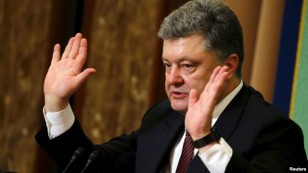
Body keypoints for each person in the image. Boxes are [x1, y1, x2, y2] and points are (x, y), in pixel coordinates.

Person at [36, 0, 308, 172]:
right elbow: (91, 167)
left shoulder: (273, 131)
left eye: (187, 66)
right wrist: (56, 104)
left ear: (229, 66)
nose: (172, 79)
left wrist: (206, 140)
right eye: (168, 65)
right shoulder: (162, 116)